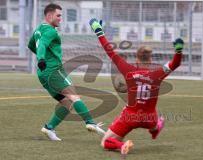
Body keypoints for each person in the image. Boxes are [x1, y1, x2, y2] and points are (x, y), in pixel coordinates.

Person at [89, 18, 184, 155]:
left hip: (130, 118)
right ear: (151, 60)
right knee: (153, 123)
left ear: (137, 59)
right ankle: (155, 129)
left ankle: (122, 145)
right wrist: (179, 51)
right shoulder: (157, 74)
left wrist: (98, 30)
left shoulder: (128, 71)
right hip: (149, 118)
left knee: (105, 142)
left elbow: (110, 52)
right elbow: (175, 64)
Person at [27, 4, 105, 141]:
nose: (60, 19)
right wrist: (42, 58)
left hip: (43, 73)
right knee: (74, 97)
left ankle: (49, 127)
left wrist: (42, 59)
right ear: (49, 15)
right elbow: (43, 44)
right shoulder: (51, 31)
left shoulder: (38, 29)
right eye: (58, 15)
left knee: (66, 103)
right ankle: (90, 122)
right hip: (54, 71)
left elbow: (31, 45)